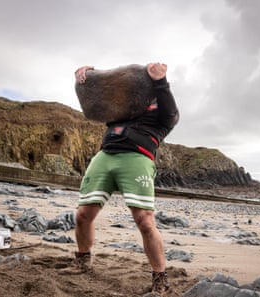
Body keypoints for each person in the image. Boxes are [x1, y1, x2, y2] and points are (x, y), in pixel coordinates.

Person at [60, 62, 179, 296]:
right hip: (105, 156)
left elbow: (172, 114)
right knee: (83, 215)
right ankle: (83, 260)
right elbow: (97, 102)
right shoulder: (124, 108)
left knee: (145, 221)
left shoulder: (163, 113)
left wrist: (161, 81)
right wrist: (88, 77)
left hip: (137, 158)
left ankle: (160, 279)